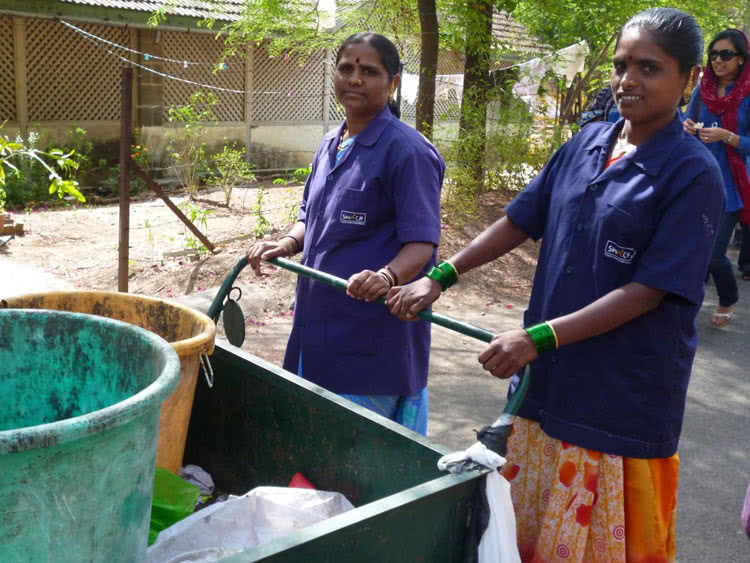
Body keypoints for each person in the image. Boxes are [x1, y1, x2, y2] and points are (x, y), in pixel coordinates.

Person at [387, 8, 724, 561]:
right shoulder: (587, 142)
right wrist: (440, 277)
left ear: (688, 79)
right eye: (620, 65)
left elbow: (647, 291)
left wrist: (536, 338)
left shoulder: (692, 174)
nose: (628, 80)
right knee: (527, 538)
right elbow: (521, 219)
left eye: (649, 68)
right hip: (546, 389)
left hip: (620, 401)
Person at [246, 32, 445, 435]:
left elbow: (422, 243)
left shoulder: (408, 152)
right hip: (316, 328)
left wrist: (387, 277)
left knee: (358, 460)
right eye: (346, 68)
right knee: (312, 448)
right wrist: (285, 243)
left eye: (369, 71)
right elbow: (310, 216)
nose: (355, 79)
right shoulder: (330, 144)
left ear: (392, 82)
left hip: (371, 338)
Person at [684, 28, 750, 327]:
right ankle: (684, 303)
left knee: (712, 254)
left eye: (726, 54)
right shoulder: (704, 88)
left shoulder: (747, 94)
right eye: (714, 54)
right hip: (696, 180)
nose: (718, 61)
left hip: (732, 186)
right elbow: (686, 117)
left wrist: (729, 136)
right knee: (686, 247)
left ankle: (728, 298)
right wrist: (685, 125)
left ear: (741, 59)